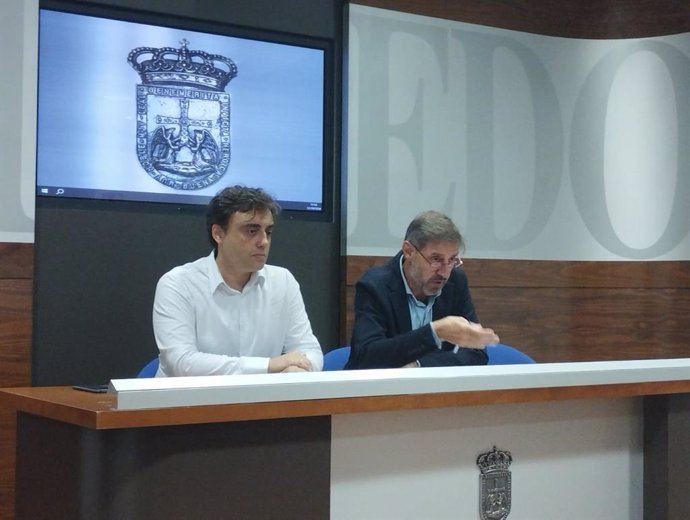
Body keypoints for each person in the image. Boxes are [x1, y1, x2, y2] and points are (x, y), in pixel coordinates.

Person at [152, 185, 323, 376]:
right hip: (185, 402)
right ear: (218, 234)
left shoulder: (283, 281)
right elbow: (182, 362)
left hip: (260, 402)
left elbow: (309, 348)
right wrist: (269, 366)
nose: (264, 241)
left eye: (268, 232)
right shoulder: (178, 283)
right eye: (251, 231)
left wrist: (296, 370)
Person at [346, 210, 499, 369]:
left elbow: (476, 353)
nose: (445, 272)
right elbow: (366, 356)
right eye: (436, 259)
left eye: (452, 260)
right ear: (409, 251)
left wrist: (419, 366)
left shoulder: (456, 281)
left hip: (437, 390)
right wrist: (435, 332)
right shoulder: (375, 286)